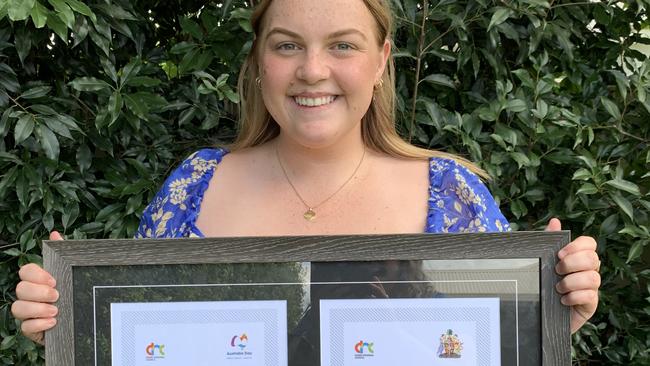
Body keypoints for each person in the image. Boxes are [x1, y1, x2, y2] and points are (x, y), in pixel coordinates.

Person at [11, 0, 600, 346]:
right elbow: (142, 335)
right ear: (259, 61)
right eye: (287, 45)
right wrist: (68, 328)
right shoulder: (195, 186)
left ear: (381, 61)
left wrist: (553, 314)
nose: (312, 70)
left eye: (342, 46)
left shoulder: (449, 190)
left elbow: (491, 343)